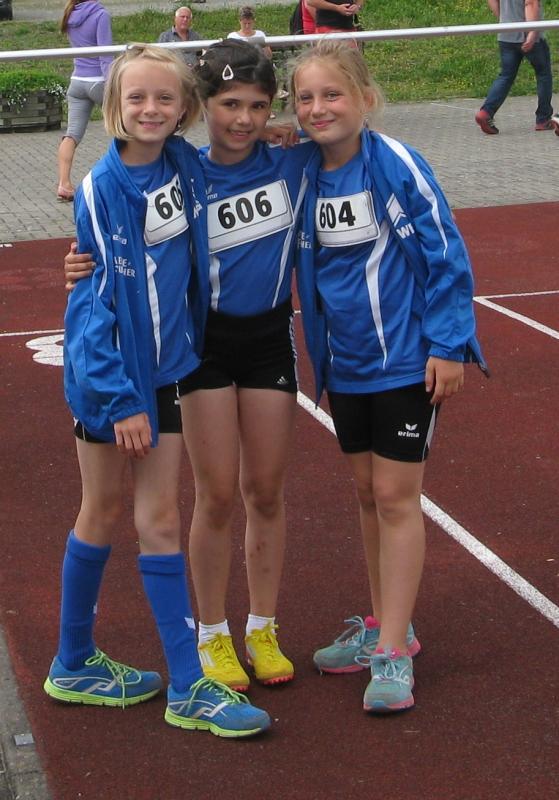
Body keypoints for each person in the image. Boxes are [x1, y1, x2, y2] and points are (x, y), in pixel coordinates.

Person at [63, 40, 315, 694]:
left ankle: (262, 626)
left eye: (257, 106)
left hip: (266, 339)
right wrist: (84, 263)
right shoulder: (183, 169)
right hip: (196, 345)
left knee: (265, 490)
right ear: (205, 107)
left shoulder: (288, 161)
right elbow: (109, 255)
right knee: (213, 495)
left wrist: (290, 129)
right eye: (229, 104)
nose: (243, 118)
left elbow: (343, 143)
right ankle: (209, 635)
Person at [290, 41, 488, 713]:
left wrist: (450, 344)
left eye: (332, 94)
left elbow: (445, 251)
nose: (318, 108)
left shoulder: (396, 162)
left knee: (396, 496)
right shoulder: (304, 171)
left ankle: (396, 650)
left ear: (366, 99)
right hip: (344, 366)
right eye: (305, 98)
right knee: (366, 496)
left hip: (404, 361)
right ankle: (382, 624)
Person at [57, 0, 113, 202]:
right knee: (124, 128)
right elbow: (105, 54)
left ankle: (63, 183)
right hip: (98, 81)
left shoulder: (70, 14)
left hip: (77, 81)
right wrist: (112, 84)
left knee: (71, 135)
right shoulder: (100, 14)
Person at [475, 0, 554, 134]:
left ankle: (486, 112)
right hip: (528, 33)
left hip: (506, 33)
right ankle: (543, 119)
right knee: (543, 74)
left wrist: (504, 20)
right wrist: (532, 32)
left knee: (506, 76)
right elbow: (531, 3)